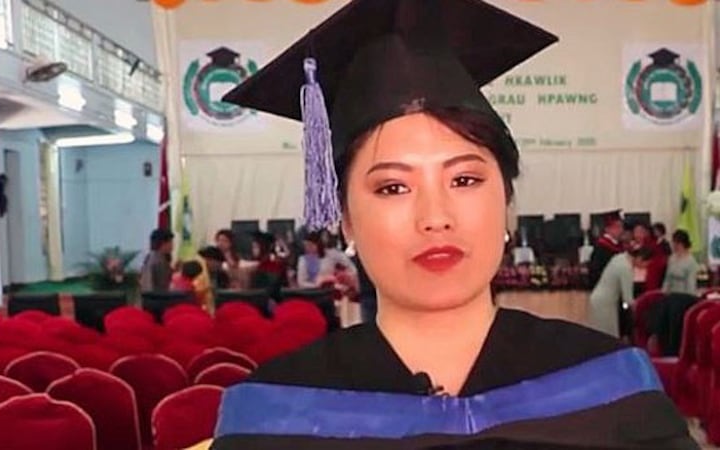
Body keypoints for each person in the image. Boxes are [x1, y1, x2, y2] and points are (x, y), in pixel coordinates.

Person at [212, 0, 696, 448]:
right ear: (346, 222)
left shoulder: (611, 387)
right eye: (392, 187)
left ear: (506, 201)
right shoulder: (275, 414)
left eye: (464, 179)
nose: (436, 217)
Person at [589, 247, 652, 338]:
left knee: (599, 333)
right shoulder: (626, 269)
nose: (645, 267)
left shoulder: (620, 257)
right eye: (645, 264)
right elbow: (627, 299)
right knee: (607, 335)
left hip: (598, 298)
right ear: (640, 258)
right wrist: (640, 306)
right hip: (606, 302)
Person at [587, 210, 624, 289]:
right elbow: (595, 273)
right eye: (617, 227)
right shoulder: (601, 248)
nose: (621, 230)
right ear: (607, 229)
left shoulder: (619, 246)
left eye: (621, 226)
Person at [663, 230, 699, 296]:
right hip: (670, 295)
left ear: (683, 243)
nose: (674, 245)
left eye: (677, 243)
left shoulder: (691, 261)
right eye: (673, 242)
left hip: (684, 296)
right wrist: (663, 293)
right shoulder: (672, 258)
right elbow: (667, 279)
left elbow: (691, 285)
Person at [139, 228, 174, 293]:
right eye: (171, 242)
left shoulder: (151, 256)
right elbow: (163, 283)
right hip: (157, 297)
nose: (172, 245)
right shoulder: (159, 260)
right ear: (163, 243)